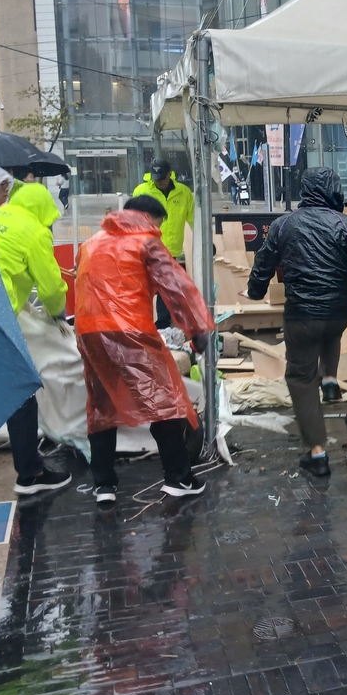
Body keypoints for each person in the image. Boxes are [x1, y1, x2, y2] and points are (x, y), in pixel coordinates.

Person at [244, 167, 347, 478]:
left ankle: (317, 452)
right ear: (333, 190)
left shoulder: (284, 225)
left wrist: (255, 293)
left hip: (301, 314)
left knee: (300, 378)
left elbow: (263, 263)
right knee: (329, 333)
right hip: (341, 311)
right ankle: (330, 381)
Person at [75, 195, 216, 504]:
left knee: (101, 407)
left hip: (90, 333)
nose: (158, 230)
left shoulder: (90, 244)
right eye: (158, 224)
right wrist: (197, 329)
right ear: (148, 218)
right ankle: (179, 477)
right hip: (131, 331)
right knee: (164, 401)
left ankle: (104, 486)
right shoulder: (145, 241)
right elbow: (176, 287)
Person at [0, 166, 73, 495]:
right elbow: (51, 288)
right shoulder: (34, 231)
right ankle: (30, 474)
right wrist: (59, 317)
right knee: (21, 394)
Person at [133, 158, 194, 328]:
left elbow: (194, 220)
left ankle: (163, 325)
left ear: (170, 174)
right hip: (146, 248)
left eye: (162, 177)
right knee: (143, 287)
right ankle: (141, 323)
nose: (159, 181)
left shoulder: (184, 193)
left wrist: (205, 241)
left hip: (170, 250)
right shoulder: (141, 191)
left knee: (165, 289)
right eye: (156, 177)